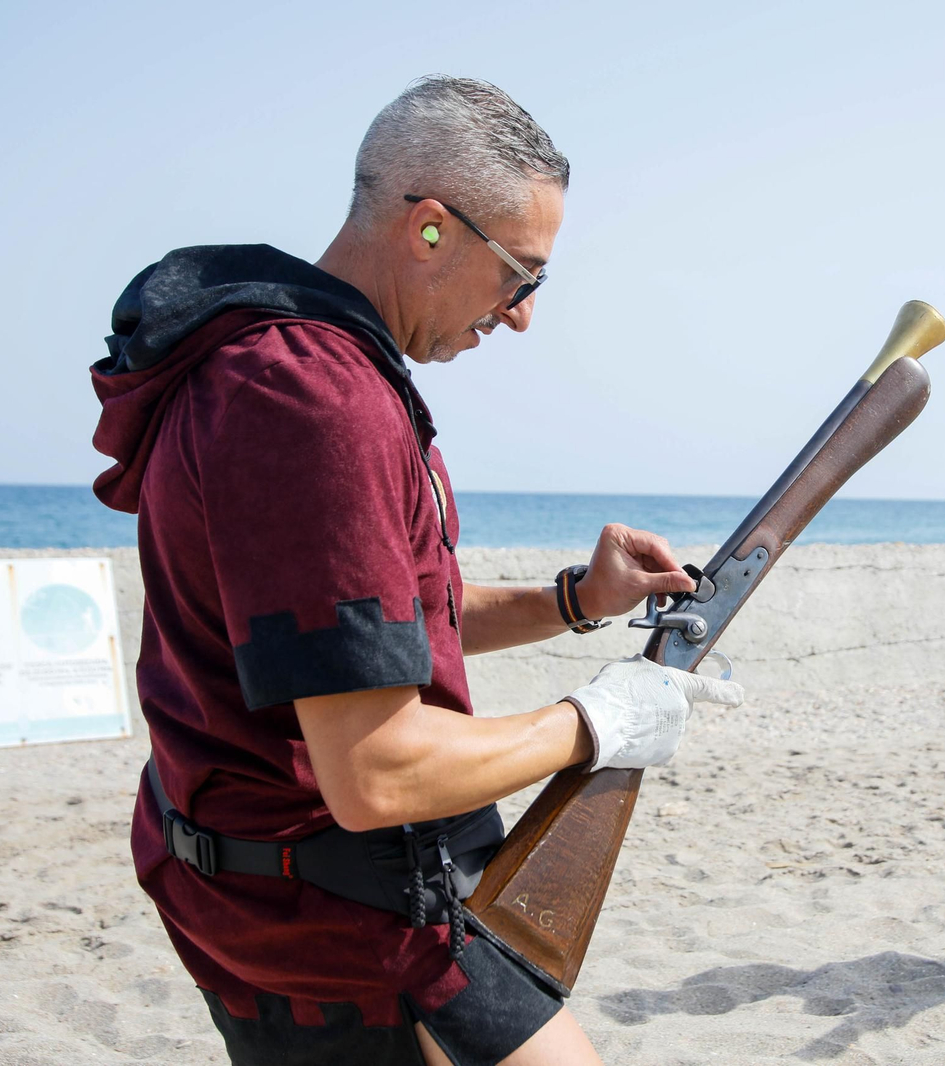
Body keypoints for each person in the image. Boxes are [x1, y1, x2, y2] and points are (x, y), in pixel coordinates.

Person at [90, 76, 743, 1065]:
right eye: (521, 275)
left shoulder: (270, 365)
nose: (520, 316)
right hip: (351, 923)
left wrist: (577, 601)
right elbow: (373, 770)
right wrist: (599, 721)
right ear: (431, 230)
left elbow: (364, 628)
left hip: (264, 893)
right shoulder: (317, 401)